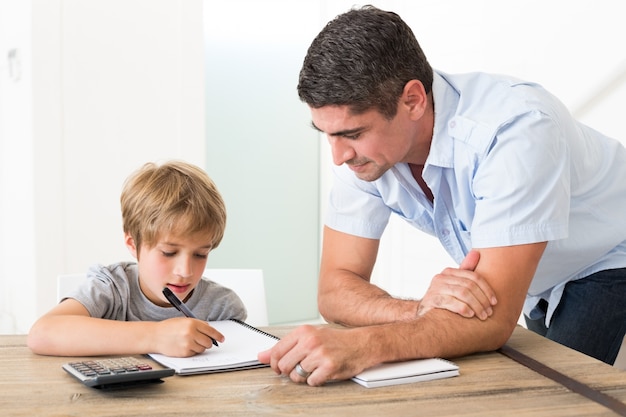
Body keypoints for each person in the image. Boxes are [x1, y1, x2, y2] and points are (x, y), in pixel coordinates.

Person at [258, 5, 626, 386]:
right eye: (327, 134)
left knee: (551, 397)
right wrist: (419, 309)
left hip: (608, 257)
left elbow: (492, 322)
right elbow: (335, 290)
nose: (338, 156)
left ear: (413, 100)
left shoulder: (515, 131)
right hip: (539, 281)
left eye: (352, 134)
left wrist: (364, 344)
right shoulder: (366, 155)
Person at [28, 160, 246, 357]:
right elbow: (42, 333)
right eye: (169, 253)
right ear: (133, 244)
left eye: (200, 254)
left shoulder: (223, 307)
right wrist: (156, 336)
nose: (185, 271)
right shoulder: (112, 288)